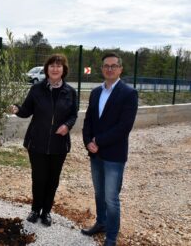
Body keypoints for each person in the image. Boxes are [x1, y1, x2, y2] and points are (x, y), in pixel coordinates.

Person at [10, 54, 78, 227]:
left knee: (52, 180)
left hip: (59, 144)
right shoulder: (36, 89)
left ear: (64, 70)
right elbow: (26, 110)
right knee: (39, 178)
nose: (55, 69)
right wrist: (16, 109)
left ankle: (46, 212)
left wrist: (67, 126)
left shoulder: (70, 92)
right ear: (47, 69)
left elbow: (73, 115)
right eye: (52, 66)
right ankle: (35, 209)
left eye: (59, 66)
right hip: (37, 143)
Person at [81, 52, 138, 246]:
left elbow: (124, 127)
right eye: (106, 65)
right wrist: (87, 141)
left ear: (120, 69)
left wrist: (98, 141)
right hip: (95, 153)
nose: (110, 69)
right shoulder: (96, 92)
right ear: (102, 68)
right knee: (99, 194)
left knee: (111, 198)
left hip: (114, 155)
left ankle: (111, 237)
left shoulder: (129, 94)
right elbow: (88, 120)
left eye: (114, 65)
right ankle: (101, 223)